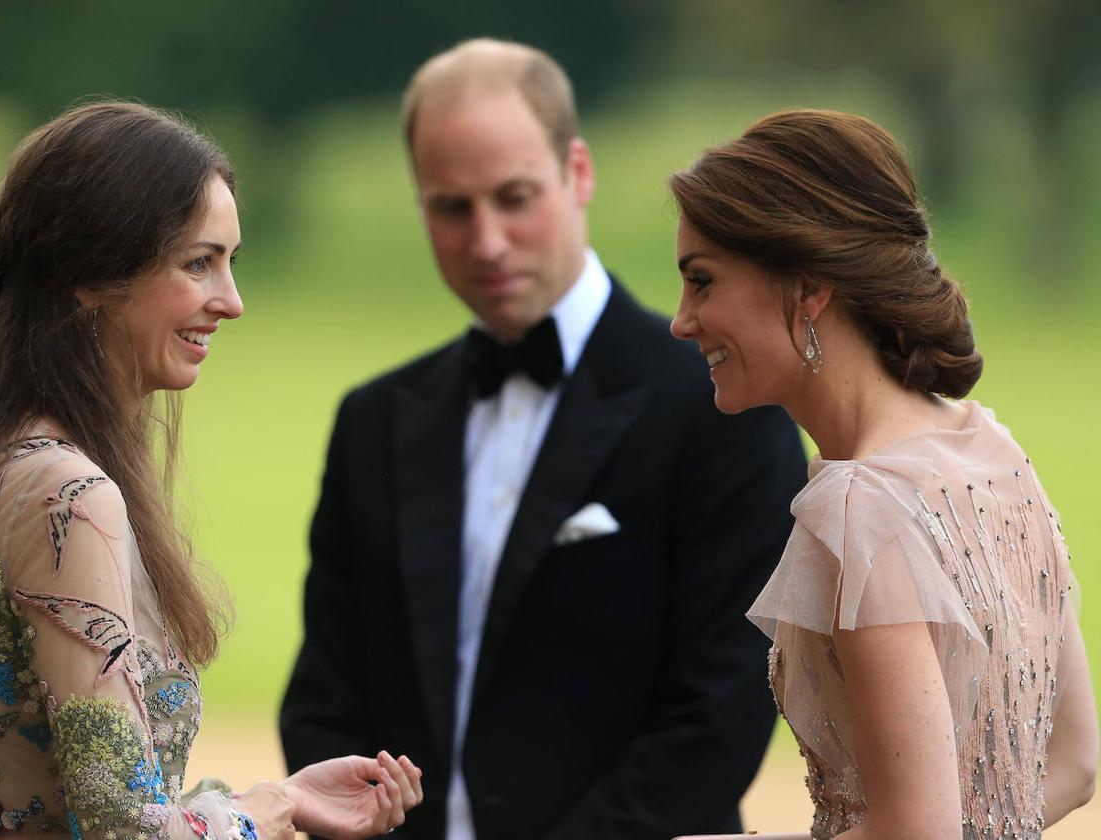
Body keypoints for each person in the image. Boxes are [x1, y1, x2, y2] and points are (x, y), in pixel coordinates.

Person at [278, 38, 807, 840]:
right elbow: (324, 699)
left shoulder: (723, 405)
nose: (487, 241)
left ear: (578, 173)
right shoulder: (373, 420)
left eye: (514, 196)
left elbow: (722, 711)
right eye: (452, 207)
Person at [0, 102, 423, 840]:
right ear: (91, 275)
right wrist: (265, 813)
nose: (232, 302)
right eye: (198, 263)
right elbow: (124, 833)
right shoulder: (67, 495)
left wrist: (277, 795)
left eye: (231, 262)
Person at [667, 109, 1098, 838]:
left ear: (808, 289)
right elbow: (1076, 763)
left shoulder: (860, 503)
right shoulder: (989, 449)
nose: (682, 320)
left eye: (702, 283)